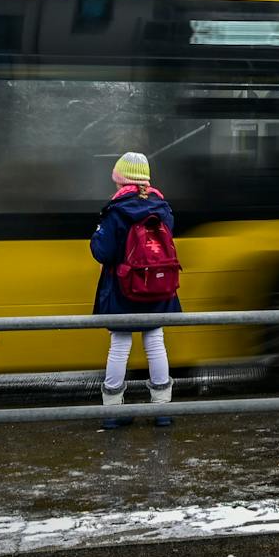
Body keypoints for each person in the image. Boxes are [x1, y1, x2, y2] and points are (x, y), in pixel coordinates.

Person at [90, 152, 180, 428]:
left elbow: (102, 252)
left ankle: (113, 410)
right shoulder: (162, 207)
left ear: (121, 180)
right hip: (157, 284)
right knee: (155, 340)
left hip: (123, 286)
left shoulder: (117, 210)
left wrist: (96, 234)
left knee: (120, 344)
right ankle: (162, 408)